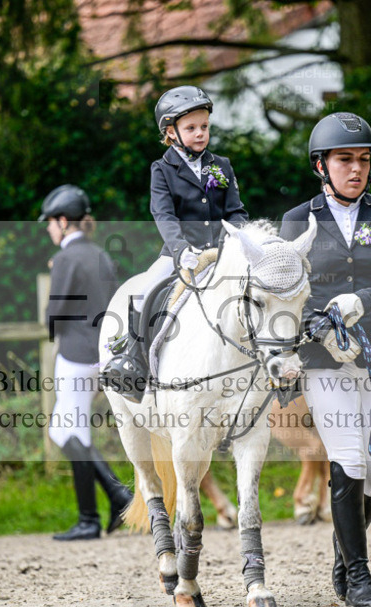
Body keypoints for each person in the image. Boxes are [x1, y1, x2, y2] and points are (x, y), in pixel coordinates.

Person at [280, 112, 371, 607]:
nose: (357, 169)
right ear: (321, 165)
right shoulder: (298, 220)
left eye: (363, 160)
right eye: (345, 159)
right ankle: (359, 577)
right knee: (349, 457)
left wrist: (363, 299)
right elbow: (284, 290)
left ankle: (343, 554)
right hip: (323, 358)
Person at [100, 85, 249, 403]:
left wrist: (238, 241)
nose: (200, 133)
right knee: (142, 293)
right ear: (170, 132)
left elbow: (235, 211)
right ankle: (133, 363)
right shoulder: (162, 170)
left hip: (222, 253)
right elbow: (164, 215)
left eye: (204, 127)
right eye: (191, 128)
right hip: (181, 255)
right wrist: (181, 251)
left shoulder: (220, 165)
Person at [41, 184, 133, 541]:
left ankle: (96, 513)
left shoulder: (65, 258)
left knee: (65, 431)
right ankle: (105, 505)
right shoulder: (99, 254)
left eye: (50, 222)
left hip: (75, 356)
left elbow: (54, 315)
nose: (49, 228)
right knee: (69, 430)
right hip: (102, 356)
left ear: (64, 221)